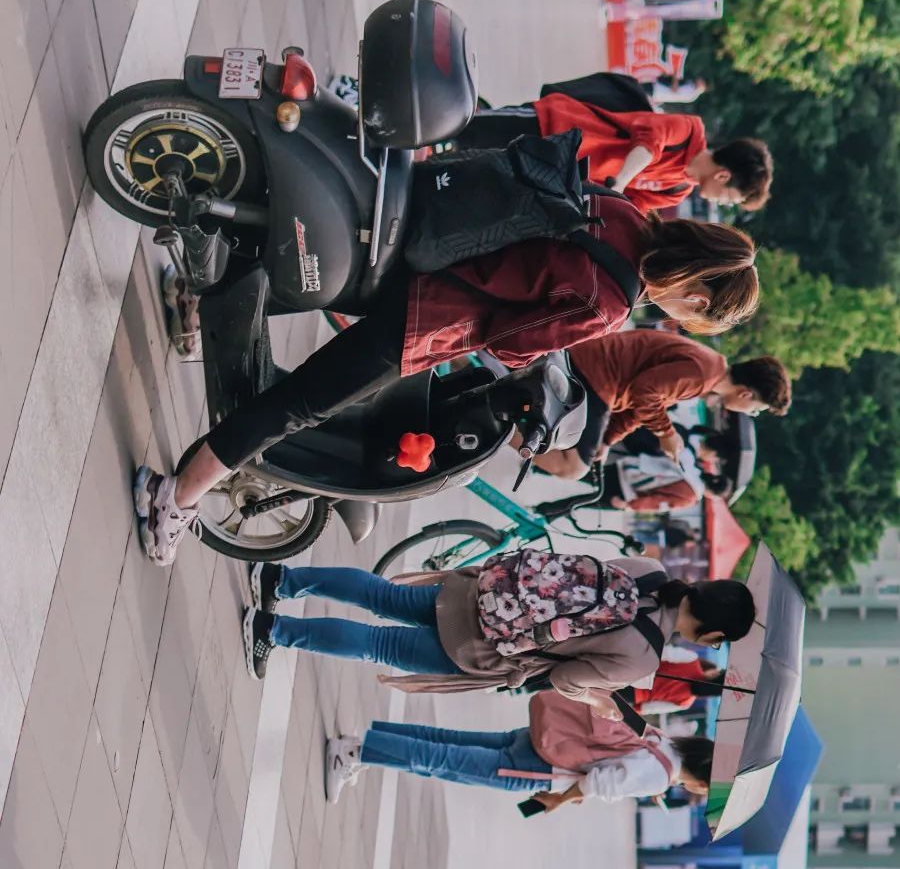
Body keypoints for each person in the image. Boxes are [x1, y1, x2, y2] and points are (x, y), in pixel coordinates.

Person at [133, 203, 760, 566]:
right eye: (704, 316)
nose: (693, 324)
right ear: (699, 292)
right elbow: (513, 344)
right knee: (298, 408)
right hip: (431, 318)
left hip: (428, 244)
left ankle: (197, 271)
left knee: (299, 281)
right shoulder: (614, 302)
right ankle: (175, 499)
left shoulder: (627, 215)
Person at [240, 562, 755, 724]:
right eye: (716, 643)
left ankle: (281, 578)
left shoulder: (652, 572)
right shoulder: (642, 657)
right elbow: (561, 678)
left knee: (383, 595)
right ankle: (274, 631)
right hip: (488, 645)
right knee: (381, 646)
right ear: (710, 635)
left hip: (488, 591)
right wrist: (604, 702)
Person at [321, 700, 715, 807]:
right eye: (706, 790)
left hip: (545, 739)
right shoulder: (661, 776)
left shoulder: (665, 741)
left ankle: (369, 743)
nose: (700, 794)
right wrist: (561, 801)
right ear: (700, 780)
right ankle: (355, 751)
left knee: (448, 742)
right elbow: (599, 782)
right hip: (542, 767)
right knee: (445, 761)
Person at [457, 92, 773, 217]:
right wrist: (620, 182)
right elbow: (648, 143)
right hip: (553, 127)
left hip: (551, 171)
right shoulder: (689, 131)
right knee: (461, 126)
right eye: (728, 197)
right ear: (723, 176)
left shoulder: (676, 191)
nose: (719, 201)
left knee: (467, 172)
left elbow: (629, 208)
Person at [534, 336, 791, 482]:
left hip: (601, 381)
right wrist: (666, 433)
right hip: (595, 375)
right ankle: (502, 431)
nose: (748, 412)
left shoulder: (709, 373)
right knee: (573, 467)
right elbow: (643, 392)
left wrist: (608, 439)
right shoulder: (703, 374)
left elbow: (637, 408)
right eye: (755, 409)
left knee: (575, 451)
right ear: (746, 394)